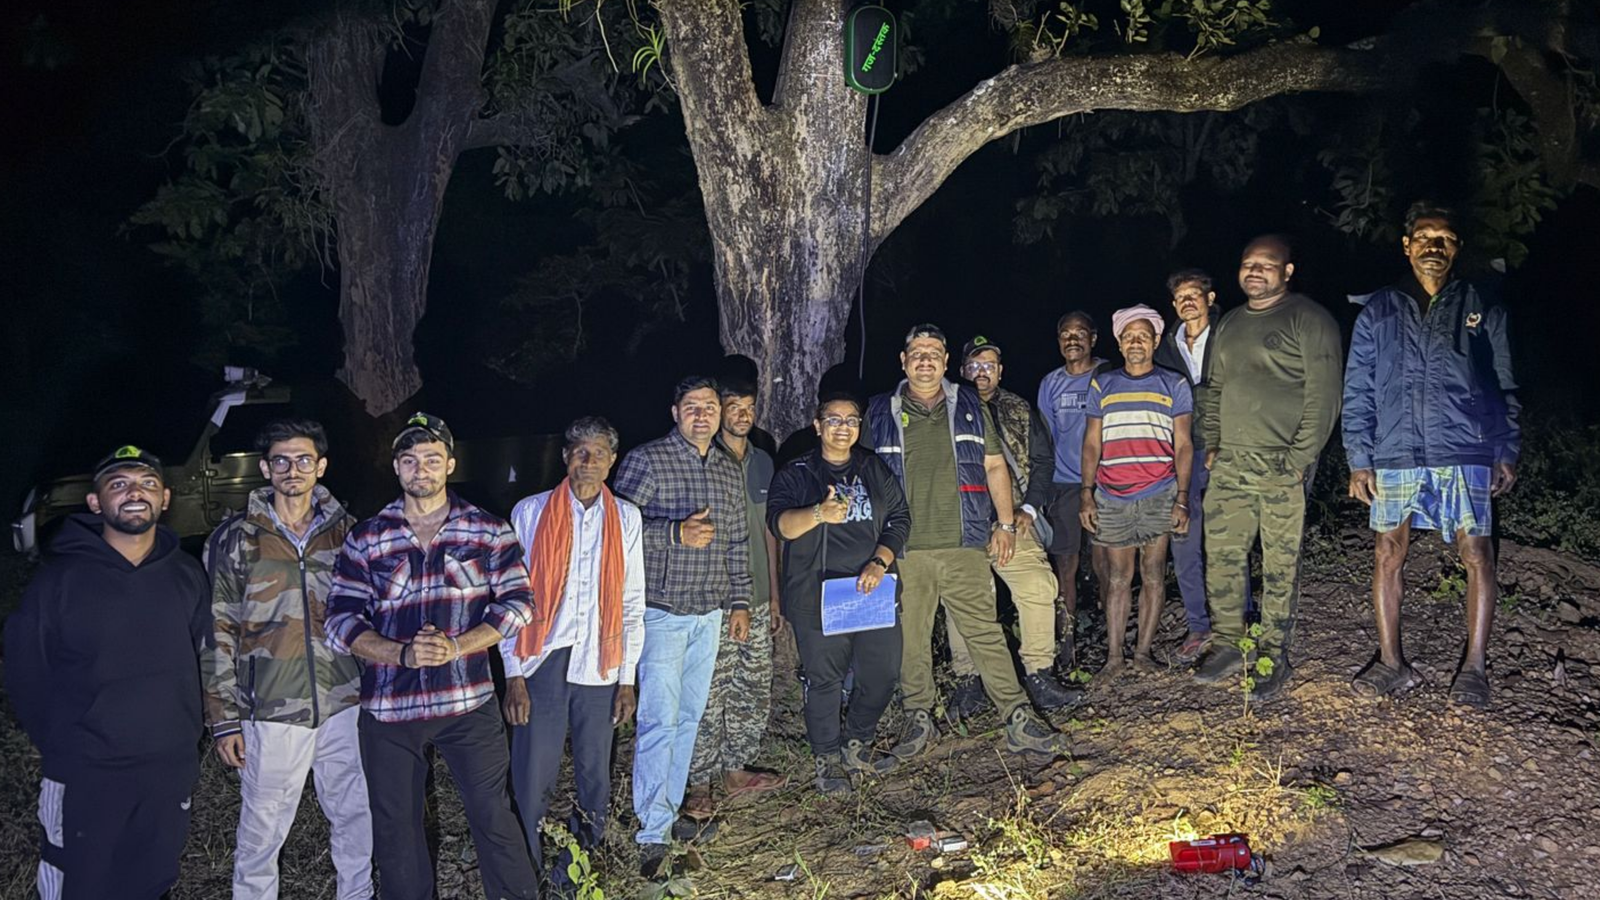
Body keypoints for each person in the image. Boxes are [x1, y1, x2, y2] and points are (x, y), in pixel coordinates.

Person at [324, 413, 538, 900]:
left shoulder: (487, 531)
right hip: (389, 710)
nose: (421, 469)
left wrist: (457, 646)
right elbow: (340, 620)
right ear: (397, 469)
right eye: (410, 460)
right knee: (397, 830)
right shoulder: (367, 537)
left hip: (468, 702)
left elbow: (519, 603)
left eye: (431, 459)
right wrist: (400, 653)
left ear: (450, 465)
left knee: (493, 815)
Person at [5, 446, 210, 900]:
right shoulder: (59, 581)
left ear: (166, 499)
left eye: (147, 484)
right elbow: (26, 673)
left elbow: (200, 655)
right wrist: (67, 742)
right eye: (119, 485)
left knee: (152, 880)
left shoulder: (186, 574)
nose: (135, 493)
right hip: (86, 771)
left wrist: (183, 735)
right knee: (77, 881)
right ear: (96, 502)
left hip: (167, 767)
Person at [1342, 202, 1520, 708]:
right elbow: (1358, 390)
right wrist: (1359, 457)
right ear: (1407, 245)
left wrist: (1506, 449)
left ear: (1457, 248)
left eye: (1445, 238)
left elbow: (1505, 383)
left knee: (1476, 554)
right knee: (1387, 554)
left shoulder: (1482, 304)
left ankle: (1475, 669)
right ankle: (1393, 663)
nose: (1434, 247)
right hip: (1394, 451)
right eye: (1424, 237)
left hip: (1465, 448)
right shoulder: (1379, 308)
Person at [866, 323, 1068, 760]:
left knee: (985, 632)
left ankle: (1016, 716)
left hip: (965, 542)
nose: (925, 359)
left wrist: (1006, 523)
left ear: (944, 363)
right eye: (916, 351)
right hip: (906, 548)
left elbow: (995, 466)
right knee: (911, 639)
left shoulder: (970, 406)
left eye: (933, 352)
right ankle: (918, 718)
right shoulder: (880, 411)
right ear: (903, 361)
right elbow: (862, 477)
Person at [203, 419, 371, 900]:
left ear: (320, 466)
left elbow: (370, 616)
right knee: (262, 831)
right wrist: (224, 719)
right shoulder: (236, 538)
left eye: (303, 460)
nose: (292, 469)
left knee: (355, 816)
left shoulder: (348, 534)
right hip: (271, 710)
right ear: (265, 468)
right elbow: (217, 631)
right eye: (281, 460)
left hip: (345, 702)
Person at [612, 376, 751, 879]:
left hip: (710, 612)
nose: (702, 416)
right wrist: (675, 532)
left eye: (710, 407)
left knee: (690, 716)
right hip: (661, 611)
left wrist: (739, 601)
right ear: (675, 412)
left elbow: (737, 541)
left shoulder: (727, 467)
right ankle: (652, 831)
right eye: (691, 407)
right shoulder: (647, 460)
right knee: (657, 720)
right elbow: (615, 531)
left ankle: (670, 815)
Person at [499, 416, 646, 888]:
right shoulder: (530, 511)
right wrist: (513, 676)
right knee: (532, 773)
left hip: (599, 664)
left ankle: (577, 870)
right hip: (542, 659)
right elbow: (509, 598)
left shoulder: (626, 517)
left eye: (599, 453)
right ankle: (527, 871)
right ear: (565, 457)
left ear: (612, 462)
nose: (588, 461)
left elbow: (631, 601)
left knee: (594, 773)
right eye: (580, 452)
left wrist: (627, 678)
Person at [1195, 236, 1342, 701]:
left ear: (1288, 270)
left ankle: (1273, 654)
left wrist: (1299, 459)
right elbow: (1214, 388)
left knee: (1279, 565)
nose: (1255, 271)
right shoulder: (1232, 323)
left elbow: (1325, 398)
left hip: (1282, 463)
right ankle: (1225, 644)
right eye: (1247, 264)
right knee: (1221, 557)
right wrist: (1212, 444)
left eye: (1266, 264)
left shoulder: (1310, 319)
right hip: (1232, 462)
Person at [769, 394, 911, 792]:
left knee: (882, 674)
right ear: (818, 426)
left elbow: (899, 517)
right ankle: (827, 759)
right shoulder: (797, 472)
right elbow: (780, 525)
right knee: (825, 680)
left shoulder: (872, 467)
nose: (843, 427)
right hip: (818, 594)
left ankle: (857, 740)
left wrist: (880, 561)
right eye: (834, 420)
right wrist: (819, 513)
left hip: (870, 589)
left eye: (851, 420)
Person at [945, 335, 1080, 715]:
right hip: (963, 525)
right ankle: (968, 680)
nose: (981, 372)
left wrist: (1030, 509)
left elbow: (1042, 463)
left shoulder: (1019, 409)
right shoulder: (945, 410)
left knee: (1038, 585)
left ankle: (1039, 673)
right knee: (963, 600)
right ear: (961, 370)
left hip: (1013, 519)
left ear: (1000, 371)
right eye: (974, 365)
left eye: (989, 365)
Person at [682, 380, 787, 819]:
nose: (742, 414)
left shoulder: (763, 461)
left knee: (752, 685)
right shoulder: (704, 461)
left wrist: (775, 595)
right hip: (716, 599)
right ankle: (698, 780)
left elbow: (769, 529)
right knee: (708, 690)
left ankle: (735, 769)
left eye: (748, 407)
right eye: (733, 406)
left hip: (759, 596)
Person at [1080, 306, 1194, 674]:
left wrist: (1181, 498)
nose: (1136, 342)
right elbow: (1092, 443)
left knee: (1154, 573)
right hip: (1112, 495)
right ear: (1118, 340)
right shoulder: (1103, 384)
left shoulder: (1173, 384)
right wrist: (1086, 492)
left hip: (1160, 492)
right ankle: (1115, 657)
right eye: (1129, 336)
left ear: (1156, 340)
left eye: (1143, 336)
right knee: (1116, 577)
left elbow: (1184, 445)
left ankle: (1142, 653)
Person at [1152, 269, 1251, 664]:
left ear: (1210, 299)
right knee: (1184, 538)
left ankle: (1240, 619)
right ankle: (1198, 625)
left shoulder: (1232, 335)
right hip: (1179, 456)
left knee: (1230, 535)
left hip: (1225, 449)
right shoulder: (1166, 349)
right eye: (1181, 297)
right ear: (1174, 305)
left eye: (1195, 294)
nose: (1188, 301)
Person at [1038, 311, 1109, 667]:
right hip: (1064, 483)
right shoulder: (1050, 384)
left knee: (1105, 561)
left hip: (1107, 482)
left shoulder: (1109, 375)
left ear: (1093, 338)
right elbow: (1046, 439)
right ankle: (1067, 644)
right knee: (1064, 564)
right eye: (1065, 334)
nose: (1072, 340)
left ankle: (1109, 634)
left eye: (1080, 333)